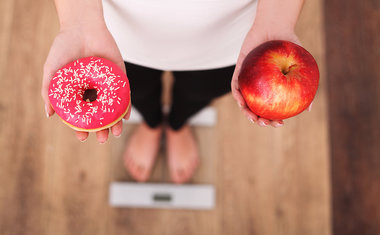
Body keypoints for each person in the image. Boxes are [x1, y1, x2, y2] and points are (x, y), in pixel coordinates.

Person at [41, 0, 305, 184]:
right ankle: (152, 123)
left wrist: (277, 19)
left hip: (233, 35)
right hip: (109, 30)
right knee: (135, 91)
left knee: (199, 91)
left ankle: (178, 124)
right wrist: (77, 21)